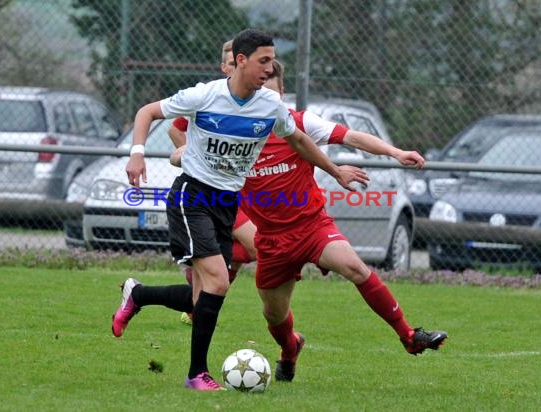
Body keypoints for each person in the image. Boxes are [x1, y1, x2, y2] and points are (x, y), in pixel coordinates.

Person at [113, 28, 366, 391]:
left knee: (203, 296)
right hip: (193, 197)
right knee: (218, 280)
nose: (270, 68)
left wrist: (336, 170)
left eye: (272, 61)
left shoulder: (270, 106)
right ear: (241, 61)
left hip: (226, 203)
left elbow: (298, 139)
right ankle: (196, 374)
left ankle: (139, 295)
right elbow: (147, 112)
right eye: (263, 61)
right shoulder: (206, 95)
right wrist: (137, 155)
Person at [170, 60, 448, 383]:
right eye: (258, 94)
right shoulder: (238, 134)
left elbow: (352, 137)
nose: (265, 104)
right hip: (272, 241)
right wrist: (183, 155)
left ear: (283, 95)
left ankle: (409, 335)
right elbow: (183, 136)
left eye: (271, 97)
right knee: (274, 315)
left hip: (313, 227)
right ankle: (290, 349)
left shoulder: (299, 123)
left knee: (356, 267)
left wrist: (396, 152)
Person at [167, 39, 257, 325]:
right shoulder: (208, 97)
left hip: (240, 190)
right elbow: (174, 128)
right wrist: (192, 154)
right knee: (254, 247)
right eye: (231, 65)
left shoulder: (259, 103)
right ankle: (202, 294)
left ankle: (151, 296)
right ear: (225, 67)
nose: (237, 69)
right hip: (210, 190)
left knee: (236, 257)